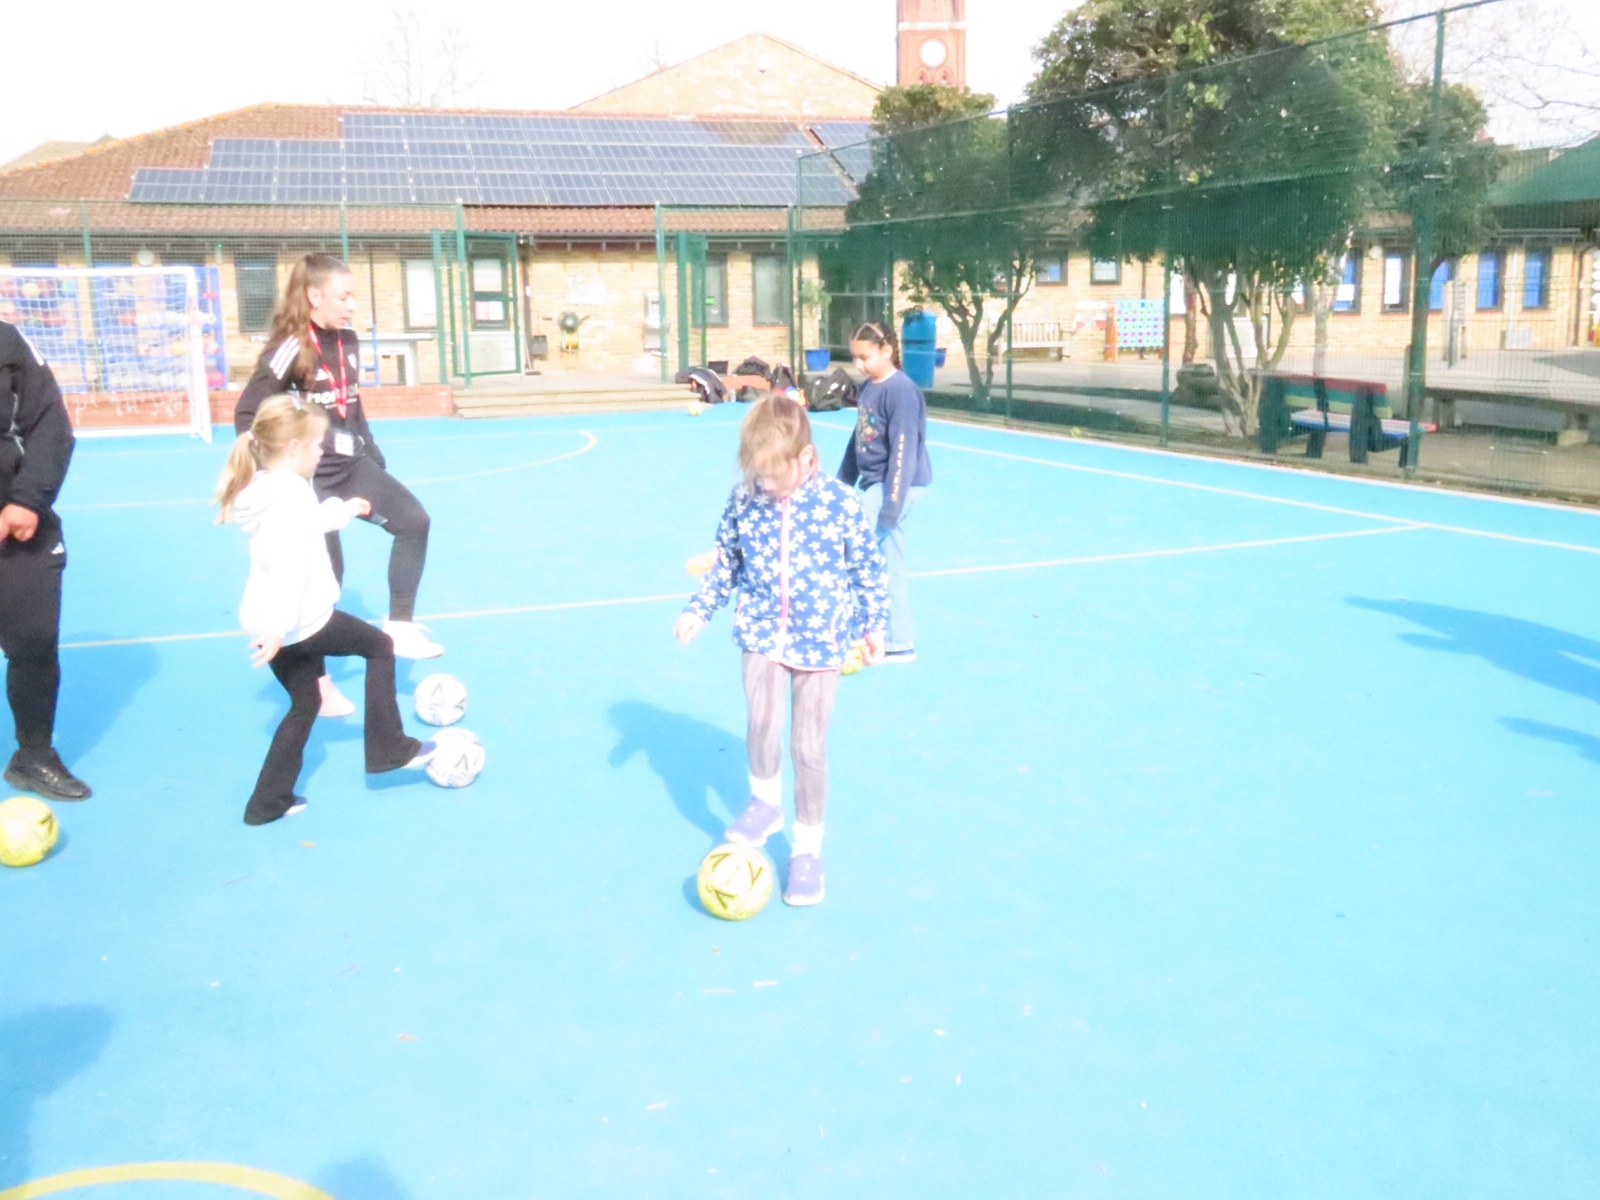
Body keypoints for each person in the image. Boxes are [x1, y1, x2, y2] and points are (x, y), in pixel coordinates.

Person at [674, 394, 888, 906]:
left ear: (807, 458)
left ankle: (807, 852)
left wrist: (874, 626)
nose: (765, 485)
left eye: (774, 474)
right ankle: (764, 802)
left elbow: (866, 570)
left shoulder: (840, 504)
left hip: (821, 640)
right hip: (761, 630)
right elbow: (727, 561)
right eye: (758, 474)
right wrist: (698, 609)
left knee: (808, 748)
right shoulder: (745, 499)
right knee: (761, 722)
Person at [235, 253, 440, 721]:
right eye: (343, 296)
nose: (351, 306)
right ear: (314, 296)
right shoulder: (289, 349)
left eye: (353, 297)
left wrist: (373, 452)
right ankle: (318, 683)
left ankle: (400, 624)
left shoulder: (347, 340)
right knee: (324, 581)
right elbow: (248, 413)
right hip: (310, 477)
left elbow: (352, 403)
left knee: (414, 521)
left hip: (353, 465)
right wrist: (270, 471)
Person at [215, 395, 435, 826]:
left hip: (267, 621)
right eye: (318, 445)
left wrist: (345, 508)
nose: (322, 452)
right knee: (379, 647)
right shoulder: (292, 496)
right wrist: (280, 628)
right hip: (298, 621)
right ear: (293, 447)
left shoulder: (267, 487)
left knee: (305, 703)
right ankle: (389, 748)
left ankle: (266, 803)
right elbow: (290, 567)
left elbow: (306, 526)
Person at [0, 321, 91, 801]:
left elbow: (50, 424)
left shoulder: (8, 342)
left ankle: (33, 755)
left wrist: (27, 500)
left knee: (35, 644)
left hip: (19, 527)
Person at [837, 320, 933, 664]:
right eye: (854, 357)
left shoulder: (902, 391)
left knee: (848, 548)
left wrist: (890, 507)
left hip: (896, 487)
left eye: (864, 357)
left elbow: (903, 453)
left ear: (887, 351)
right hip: (878, 486)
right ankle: (898, 643)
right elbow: (859, 437)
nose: (858, 365)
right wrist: (842, 482)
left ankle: (853, 634)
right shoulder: (869, 387)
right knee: (890, 563)